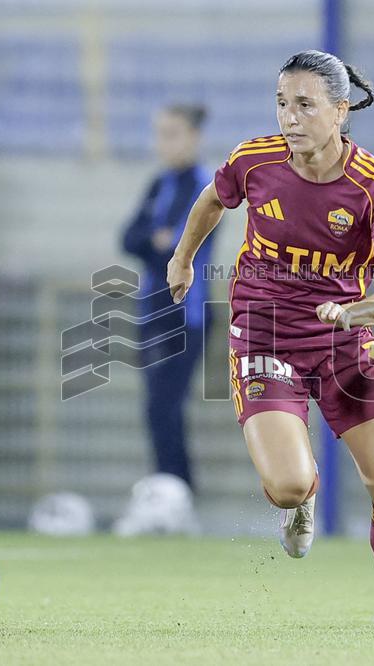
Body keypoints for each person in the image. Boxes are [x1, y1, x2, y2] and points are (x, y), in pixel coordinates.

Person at [167, 50, 374, 633]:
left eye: (304, 105)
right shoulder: (254, 161)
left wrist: (351, 313)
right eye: (281, 103)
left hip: (344, 338)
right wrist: (184, 257)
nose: (289, 117)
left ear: (341, 111)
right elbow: (214, 198)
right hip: (263, 331)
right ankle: (303, 499)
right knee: (289, 484)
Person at [116, 104, 215, 536]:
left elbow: (175, 249)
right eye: (159, 133)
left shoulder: (204, 186)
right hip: (150, 310)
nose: (164, 143)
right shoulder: (159, 184)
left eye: (173, 133)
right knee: (157, 409)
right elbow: (129, 238)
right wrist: (152, 241)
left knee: (166, 407)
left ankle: (177, 499)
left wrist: (158, 243)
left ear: (193, 137)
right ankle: (169, 497)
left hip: (185, 315)